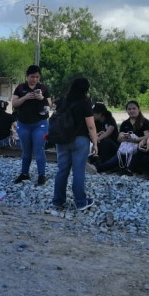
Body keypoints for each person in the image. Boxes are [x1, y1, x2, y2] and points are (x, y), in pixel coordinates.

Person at [46, 78, 98, 216]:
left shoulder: (64, 101)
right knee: (78, 171)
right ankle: (80, 202)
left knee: (62, 170)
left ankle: (58, 200)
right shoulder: (85, 103)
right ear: (86, 89)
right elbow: (91, 126)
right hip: (80, 140)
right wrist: (95, 143)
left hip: (62, 140)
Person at [10, 65, 52, 185]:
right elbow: (14, 103)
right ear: (27, 77)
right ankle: (24, 173)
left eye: (37, 77)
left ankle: (41, 175)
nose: (34, 79)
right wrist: (25, 97)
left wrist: (41, 98)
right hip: (23, 124)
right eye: (32, 77)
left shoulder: (43, 88)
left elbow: (49, 104)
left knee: (39, 149)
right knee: (26, 150)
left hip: (40, 124)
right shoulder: (20, 88)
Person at [96, 100, 149, 174]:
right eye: (129, 109)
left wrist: (134, 139)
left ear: (139, 109)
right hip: (124, 149)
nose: (131, 111)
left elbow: (147, 137)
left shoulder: (144, 122)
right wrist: (124, 137)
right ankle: (97, 167)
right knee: (111, 162)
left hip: (137, 150)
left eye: (134, 108)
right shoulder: (125, 123)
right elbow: (119, 139)